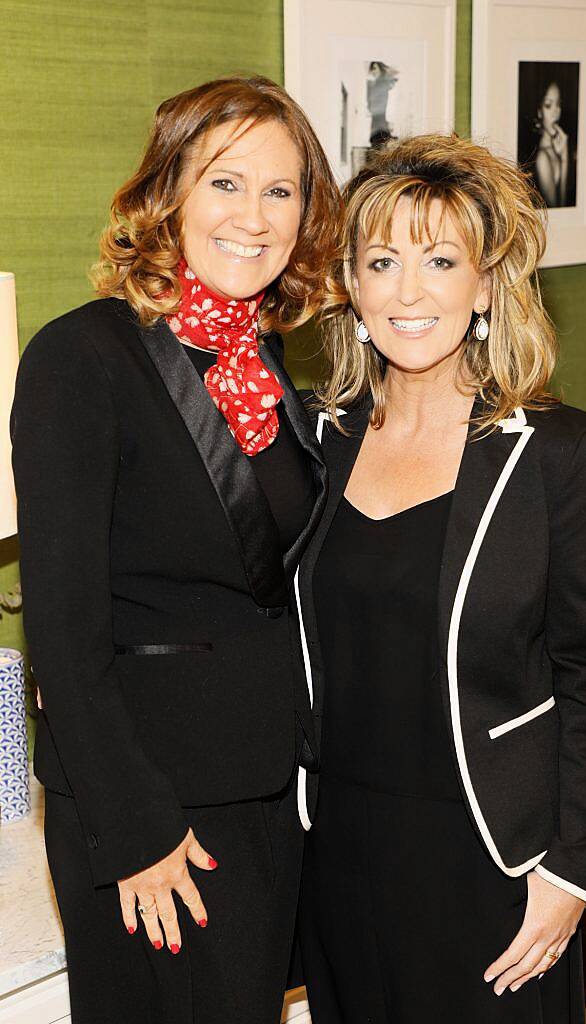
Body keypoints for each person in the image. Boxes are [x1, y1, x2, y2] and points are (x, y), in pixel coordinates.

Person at [11, 75, 340, 1024]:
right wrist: (135, 830)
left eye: (280, 191)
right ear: (168, 195)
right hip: (155, 806)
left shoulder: (265, 359)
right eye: (224, 183)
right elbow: (65, 637)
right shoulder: (80, 359)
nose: (254, 216)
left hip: (267, 783)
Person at [294, 133, 586, 1022]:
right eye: (382, 261)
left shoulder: (558, 453)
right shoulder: (311, 441)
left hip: (491, 857)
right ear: (351, 287)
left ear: (484, 284)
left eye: (440, 260)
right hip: (338, 855)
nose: (409, 291)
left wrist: (571, 871)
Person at [533, 81, 569, 207]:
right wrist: (564, 159)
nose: (556, 111)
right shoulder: (542, 157)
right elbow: (558, 210)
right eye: (548, 105)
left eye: (558, 104)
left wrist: (563, 157)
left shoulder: (558, 148)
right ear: (539, 112)